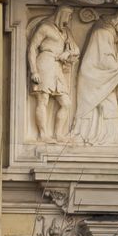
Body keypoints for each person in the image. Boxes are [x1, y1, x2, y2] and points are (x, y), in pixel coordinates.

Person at [73, 11, 118, 144]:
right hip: (95, 77)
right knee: (109, 105)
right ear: (116, 23)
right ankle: (106, 137)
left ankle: (102, 136)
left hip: (99, 77)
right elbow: (105, 59)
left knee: (105, 106)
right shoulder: (104, 33)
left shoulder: (108, 35)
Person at [25, 7, 81, 141]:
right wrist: (34, 71)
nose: (69, 20)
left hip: (57, 67)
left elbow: (76, 50)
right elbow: (32, 47)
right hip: (44, 62)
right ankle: (43, 134)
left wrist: (67, 53)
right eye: (68, 16)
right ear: (61, 15)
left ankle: (58, 134)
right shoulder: (45, 27)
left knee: (66, 103)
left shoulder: (65, 32)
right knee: (43, 99)